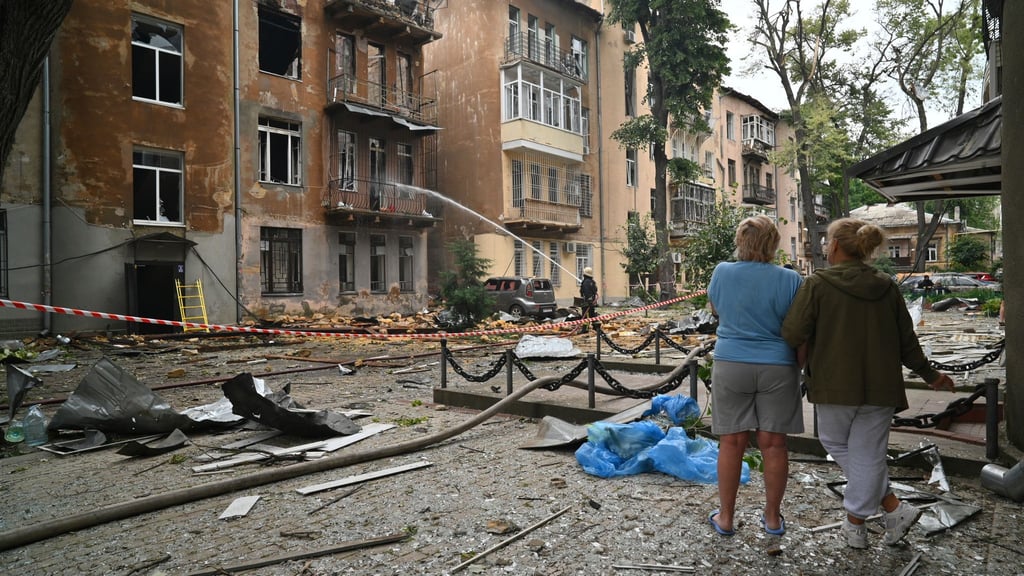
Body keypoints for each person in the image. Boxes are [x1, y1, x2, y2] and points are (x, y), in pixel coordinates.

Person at [781, 218, 955, 549]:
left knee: (836, 443)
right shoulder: (886, 286)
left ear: (833, 246)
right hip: (881, 386)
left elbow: (792, 333)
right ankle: (890, 510)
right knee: (869, 453)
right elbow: (907, 341)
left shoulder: (817, 284)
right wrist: (931, 375)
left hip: (834, 384)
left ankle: (858, 523)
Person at [706, 215, 804, 537]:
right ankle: (773, 518)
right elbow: (798, 327)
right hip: (778, 364)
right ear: (774, 244)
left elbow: (716, 309)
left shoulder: (722, 272)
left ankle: (726, 518)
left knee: (731, 442)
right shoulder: (791, 279)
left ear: (740, 242)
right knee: (774, 444)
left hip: (732, 362)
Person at [579, 267, 598, 333]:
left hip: (587, 302)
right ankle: (596, 327)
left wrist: (588, 300)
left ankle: (585, 329)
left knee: (585, 316)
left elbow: (586, 292)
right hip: (592, 302)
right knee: (592, 315)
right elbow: (595, 290)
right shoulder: (592, 282)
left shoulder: (586, 282)